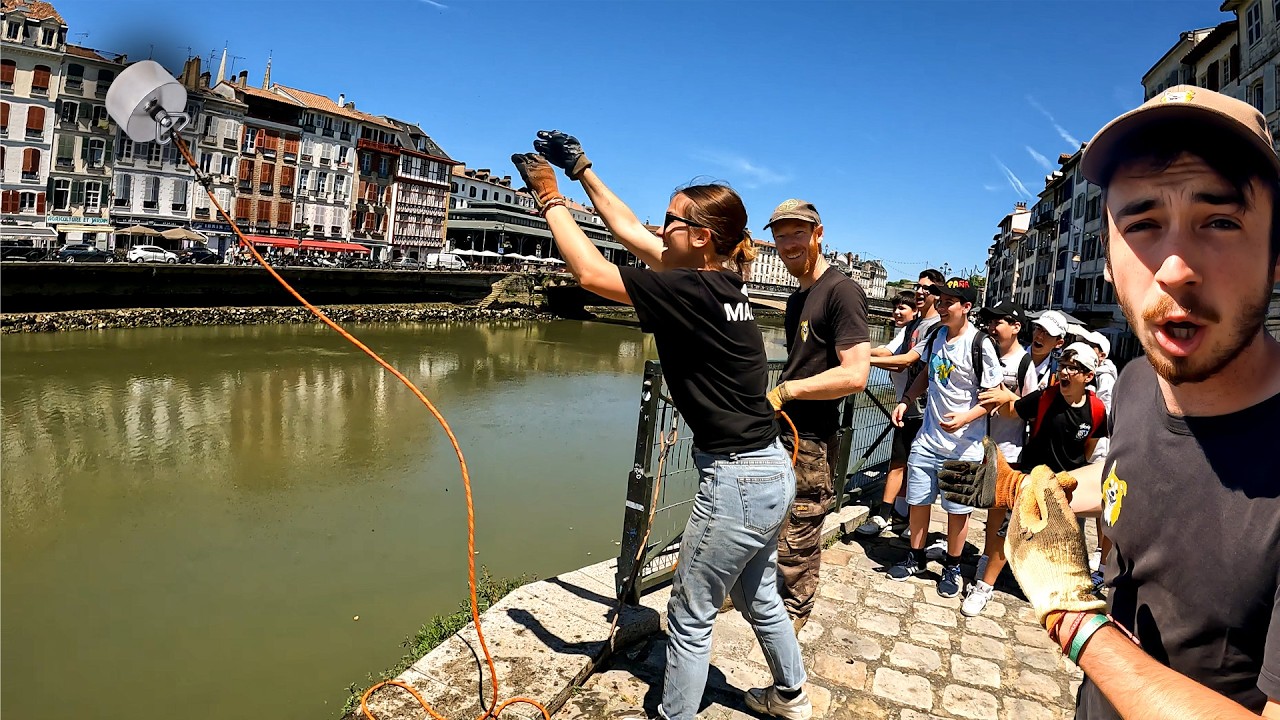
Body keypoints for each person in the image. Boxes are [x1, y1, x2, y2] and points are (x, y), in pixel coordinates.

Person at [939, 86, 1280, 719]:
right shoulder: (1134, 382)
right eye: (1143, 225)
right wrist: (1044, 488)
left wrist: (1073, 619)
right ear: (1108, 256)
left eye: (1221, 221)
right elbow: (1136, 474)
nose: (1175, 268)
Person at [514, 130, 812, 720]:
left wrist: (550, 200)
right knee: (760, 596)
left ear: (701, 238)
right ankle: (791, 697)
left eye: (672, 221)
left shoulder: (690, 291)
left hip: (737, 482)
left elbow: (593, 276)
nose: (660, 225)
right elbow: (627, 229)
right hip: (771, 471)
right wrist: (582, 170)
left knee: (690, 614)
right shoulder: (719, 283)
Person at [763, 199, 871, 633]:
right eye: (780, 234)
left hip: (811, 440)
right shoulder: (797, 299)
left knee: (797, 541)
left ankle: (789, 640)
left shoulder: (841, 290)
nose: (788, 243)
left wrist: (788, 389)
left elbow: (855, 374)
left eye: (797, 233)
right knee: (775, 528)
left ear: (818, 233)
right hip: (784, 433)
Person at [885, 277, 1002, 598]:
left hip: (963, 446)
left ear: (966, 307)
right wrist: (906, 399)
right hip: (927, 438)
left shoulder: (980, 345)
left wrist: (966, 417)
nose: (942, 306)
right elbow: (925, 372)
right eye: (941, 300)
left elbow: (995, 395)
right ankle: (916, 556)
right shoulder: (937, 335)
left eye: (950, 301)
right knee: (918, 501)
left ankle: (952, 565)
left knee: (957, 510)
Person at [961, 299, 1038, 617]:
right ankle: (984, 558)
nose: (992, 327)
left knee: (1001, 522)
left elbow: (1031, 411)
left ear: (1017, 327)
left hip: (1010, 454)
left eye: (1000, 322)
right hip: (978, 449)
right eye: (990, 322)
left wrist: (1008, 399)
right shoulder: (982, 355)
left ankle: (985, 586)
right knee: (983, 513)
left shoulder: (1024, 364)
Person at [855, 270, 944, 537]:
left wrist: (860, 361)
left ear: (937, 294)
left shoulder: (938, 327)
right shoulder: (914, 326)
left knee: (921, 466)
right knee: (898, 460)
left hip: (929, 409)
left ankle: (911, 519)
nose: (919, 292)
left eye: (926, 289)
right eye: (918, 287)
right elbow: (890, 352)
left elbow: (907, 360)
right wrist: (857, 350)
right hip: (907, 404)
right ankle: (887, 514)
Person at [1028, 309, 1069, 389]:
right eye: (1038, 328)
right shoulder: (1013, 357)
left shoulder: (1058, 371)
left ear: (1059, 343)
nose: (1040, 336)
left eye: (1048, 334)